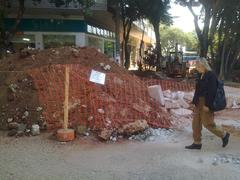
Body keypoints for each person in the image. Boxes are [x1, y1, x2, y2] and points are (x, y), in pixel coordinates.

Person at [185, 58, 230, 150]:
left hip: (206, 102)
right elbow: (198, 91)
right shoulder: (200, 75)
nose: (196, 68)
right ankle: (197, 143)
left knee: (208, 123)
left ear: (203, 65)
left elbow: (212, 92)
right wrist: (193, 102)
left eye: (198, 66)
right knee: (196, 123)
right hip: (198, 102)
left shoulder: (211, 75)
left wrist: (208, 106)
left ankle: (224, 135)